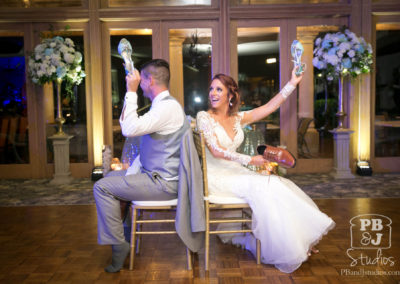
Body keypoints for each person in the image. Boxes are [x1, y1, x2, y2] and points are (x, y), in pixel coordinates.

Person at [196, 67, 335, 273]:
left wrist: (292, 83)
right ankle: (290, 246)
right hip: (216, 177)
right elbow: (216, 151)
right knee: (265, 186)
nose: (212, 93)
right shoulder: (204, 117)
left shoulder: (238, 119)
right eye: (211, 89)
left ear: (231, 95)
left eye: (219, 89)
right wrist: (251, 159)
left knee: (276, 183)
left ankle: (297, 242)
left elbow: (270, 107)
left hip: (236, 172)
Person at [94, 59, 190, 273]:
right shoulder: (163, 105)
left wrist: (131, 90)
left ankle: (119, 244)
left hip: (164, 183)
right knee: (108, 179)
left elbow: (128, 128)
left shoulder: (167, 108)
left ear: (150, 80)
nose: (138, 82)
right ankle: (125, 236)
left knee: (101, 187)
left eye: (141, 79)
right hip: (155, 177)